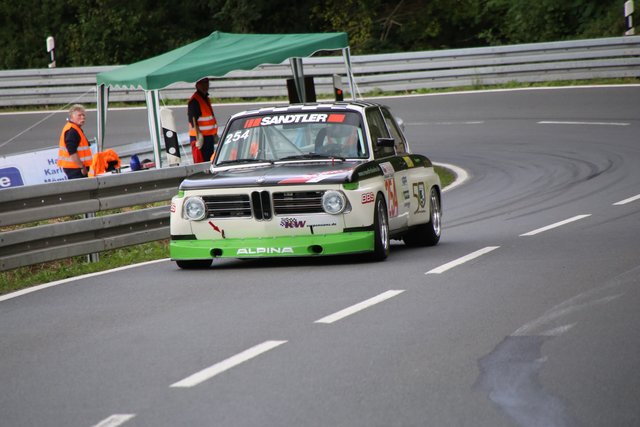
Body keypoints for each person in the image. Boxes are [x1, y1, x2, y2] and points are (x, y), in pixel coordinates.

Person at [57, 104, 92, 179]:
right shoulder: (72, 131)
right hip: (75, 168)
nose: (83, 117)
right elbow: (72, 152)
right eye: (79, 115)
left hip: (75, 167)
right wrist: (82, 167)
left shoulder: (75, 128)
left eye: (83, 115)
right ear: (72, 116)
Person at [188, 77, 219, 163]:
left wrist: (214, 133)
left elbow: (210, 118)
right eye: (203, 84)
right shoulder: (194, 101)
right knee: (201, 162)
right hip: (199, 138)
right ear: (197, 86)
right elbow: (192, 120)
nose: (206, 86)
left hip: (208, 137)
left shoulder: (205, 98)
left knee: (209, 161)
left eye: (207, 83)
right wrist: (199, 135)